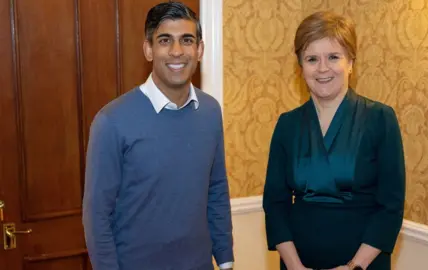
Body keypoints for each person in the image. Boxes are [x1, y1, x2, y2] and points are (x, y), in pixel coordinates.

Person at [82, 2, 234, 270]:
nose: (177, 51)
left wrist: (225, 259)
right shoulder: (111, 122)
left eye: (187, 40)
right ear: (149, 49)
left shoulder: (210, 111)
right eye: (165, 40)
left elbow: (217, 189)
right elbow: (97, 217)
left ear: (199, 50)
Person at [262, 10, 406, 270]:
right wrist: (295, 267)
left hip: (364, 264)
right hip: (297, 264)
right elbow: (275, 204)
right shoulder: (287, 124)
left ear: (351, 62)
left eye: (333, 57)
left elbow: (390, 208)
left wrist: (353, 267)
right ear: (301, 67)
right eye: (312, 59)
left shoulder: (380, 119)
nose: (322, 68)